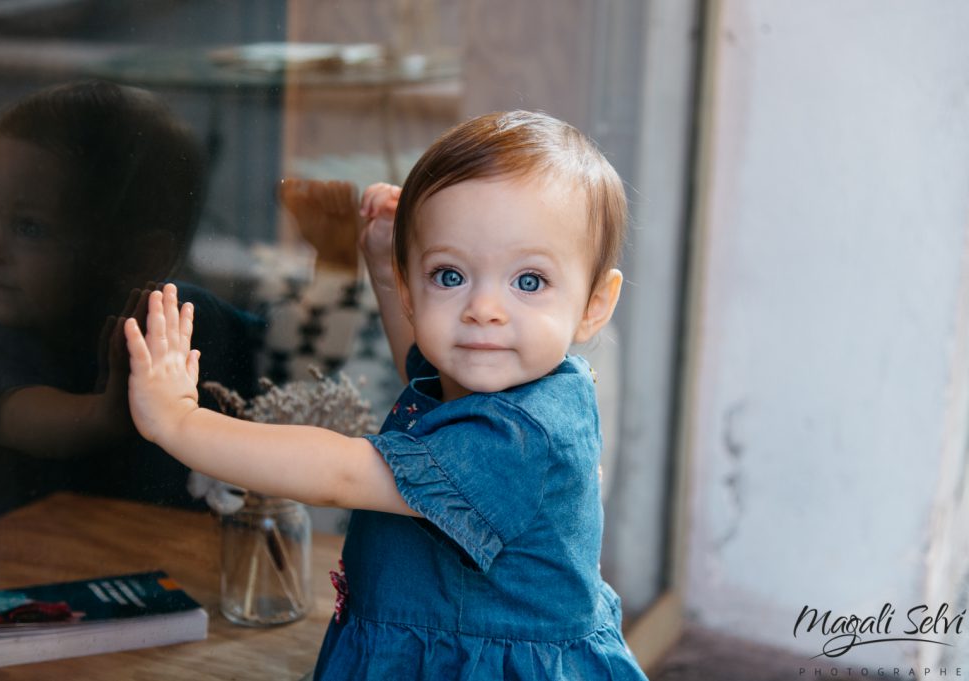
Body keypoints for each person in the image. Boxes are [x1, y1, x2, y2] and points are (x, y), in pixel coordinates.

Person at [124, 110, 648, 679]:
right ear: (411, 286)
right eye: (449, 275)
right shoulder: (501, 383)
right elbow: (421, 369)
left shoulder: (522, 437)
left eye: (529, 281)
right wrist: (382, 268)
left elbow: (342, 475)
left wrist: (178, 422)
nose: (484, 309)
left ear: (596, 303)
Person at [0, 80, 261, 519]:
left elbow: (271, 354)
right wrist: (106, 415)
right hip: (26, 565)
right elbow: (22, 416)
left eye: (28, 228)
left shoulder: (184, 318)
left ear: (139, 256)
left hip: (167, 551)